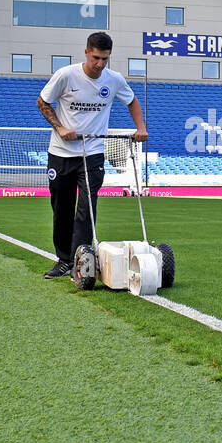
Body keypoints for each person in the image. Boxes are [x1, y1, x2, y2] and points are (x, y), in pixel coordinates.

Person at [36, 32, 147, 279]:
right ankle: (64, 260)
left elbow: (132, 101)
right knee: (62, 209)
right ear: (87, 52)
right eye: (96, 58)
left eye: (105, 59)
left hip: (93, 153)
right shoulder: (66, 75)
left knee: (87, 209)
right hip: (61, 154)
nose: (99, 64)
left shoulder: (114, 80)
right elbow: (42, 102)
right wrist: (61, 128)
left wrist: (141, 128)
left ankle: (81, 262)